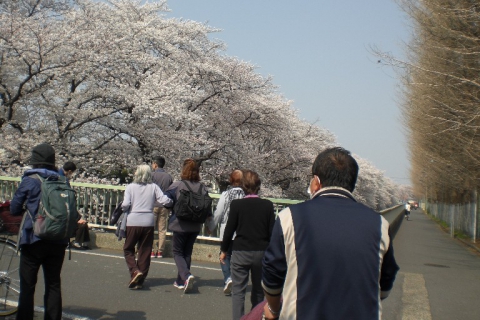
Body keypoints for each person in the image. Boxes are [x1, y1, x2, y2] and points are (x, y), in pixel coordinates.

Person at [261, 147, 399, 320]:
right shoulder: (379, 224)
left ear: (316, 181)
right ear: (352, 183)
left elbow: (272, 275)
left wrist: (274, 310)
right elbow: (386, 280)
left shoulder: (289, 217)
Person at [10, 143, 69, 320]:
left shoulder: (30, 180)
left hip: (33, 238)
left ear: (34, 161)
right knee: (53, 283)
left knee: (28, 285)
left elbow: (14, 209)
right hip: (58, 239)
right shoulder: (62, 180)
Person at [220, 170, 275, 320]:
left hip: (240, 251)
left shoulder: (237, 205)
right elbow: (272, 233)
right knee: (258, 291)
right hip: (261, 253)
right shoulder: (268, 206)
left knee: (238, 291)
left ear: (244, 186)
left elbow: (229, 230)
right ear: (259, 186)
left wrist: (224, 250)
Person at [121, 164, 173, 290]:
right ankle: (140, 279)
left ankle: (134, 271)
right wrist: (172, 202)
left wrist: (124, 208)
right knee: (145, 250)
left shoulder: (131, 187)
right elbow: (164, 200)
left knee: (128, 248)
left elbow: (125, 205)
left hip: (133, 221)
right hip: (148, 221)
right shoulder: (153, 187)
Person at [165, 158, 211, 293]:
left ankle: (186, 275)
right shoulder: (203, 188)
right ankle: (180, 281)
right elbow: (207, 207)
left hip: (179, 224)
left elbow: (166, 201)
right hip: (195, 225)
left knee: (177, 252)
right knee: (187, 252)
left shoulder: (177, 185)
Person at [206, 169, 245, 296]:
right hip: (242, 232)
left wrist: (211, 227)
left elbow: (218, 213)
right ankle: (237, 281)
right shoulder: (246, 195)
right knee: (238, 258)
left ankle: (228, 278)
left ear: (231, 180)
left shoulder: (226, 195)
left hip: (226, 230)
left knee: (224, 255)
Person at [58, 161, 90, 250]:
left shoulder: (57, 176)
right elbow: (67, 199)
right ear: (69, 171)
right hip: (64, 210)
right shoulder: (63, 180)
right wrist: (77, 218)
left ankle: (82, 242)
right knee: (82, 223)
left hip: (61, 208)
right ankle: (78, 242)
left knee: (82, 222)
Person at [151, 156, 173, 258]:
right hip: (164, 205)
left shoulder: (152, 175)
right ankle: (160, 251)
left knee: (150, 228)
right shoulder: (168, 177)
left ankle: (150, 250)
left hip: (153, 204)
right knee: (162, 229)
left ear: (155, 164)